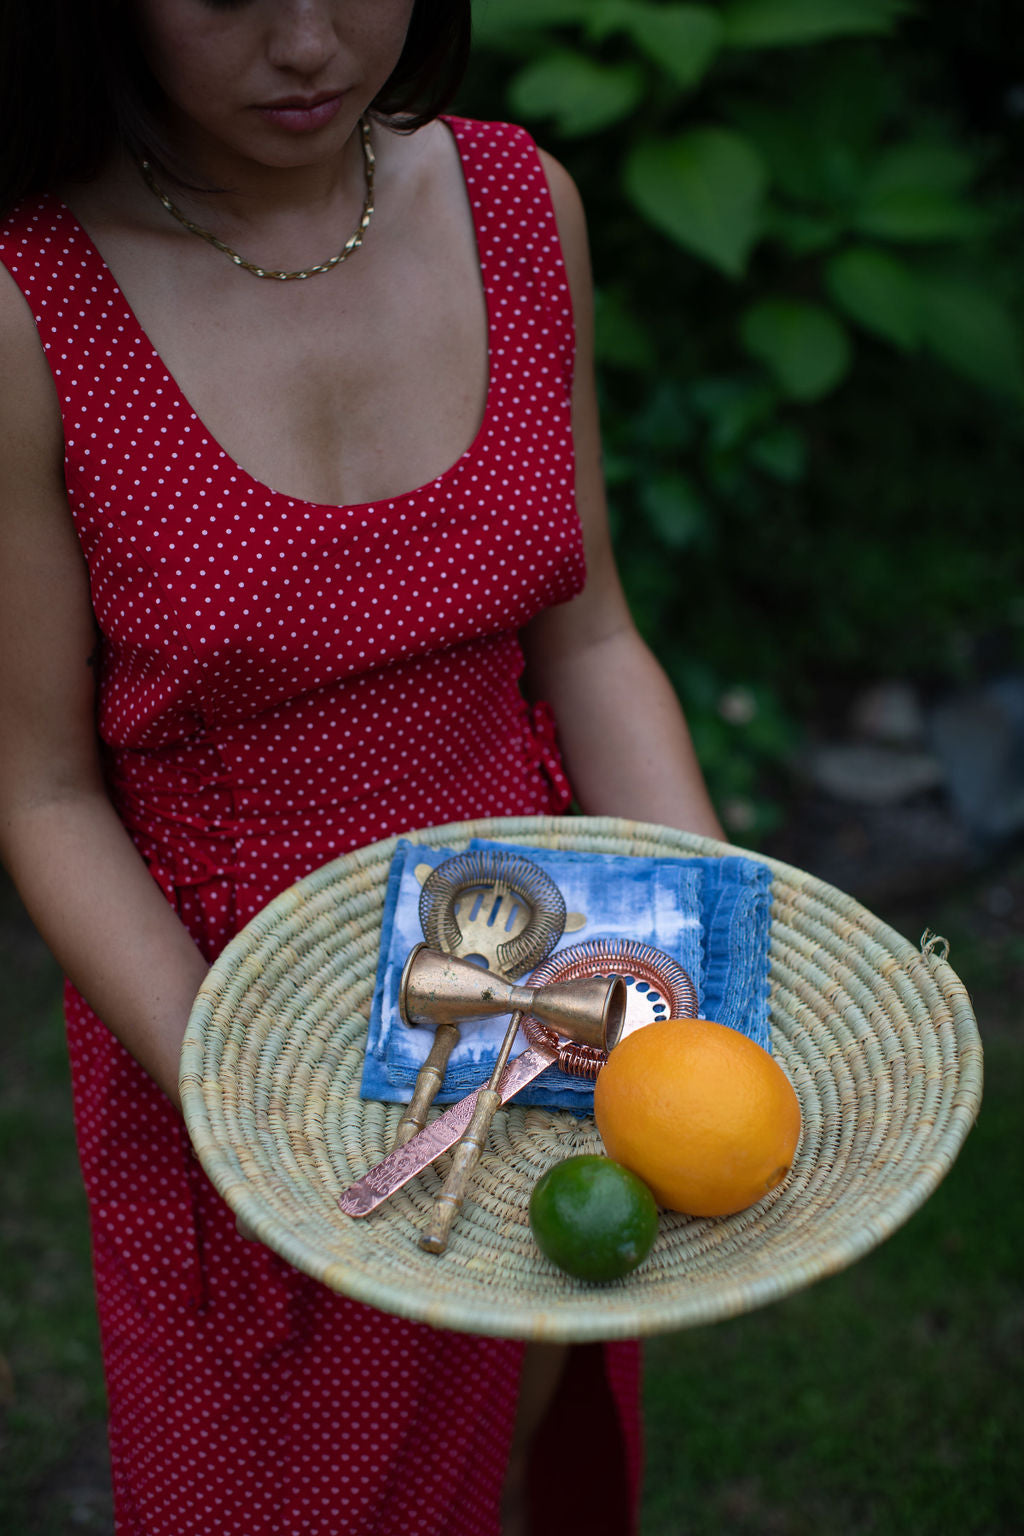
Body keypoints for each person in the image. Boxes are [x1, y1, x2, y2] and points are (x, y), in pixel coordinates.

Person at [0, 2, 724, 1532]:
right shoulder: (29, 300)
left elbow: (591, 639)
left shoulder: (519, 205)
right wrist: (248, 1098)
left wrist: (725, 963)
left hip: (548, 969)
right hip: (234, 1012)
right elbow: (39, 788)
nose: (309, 40)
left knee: (524, 1402)